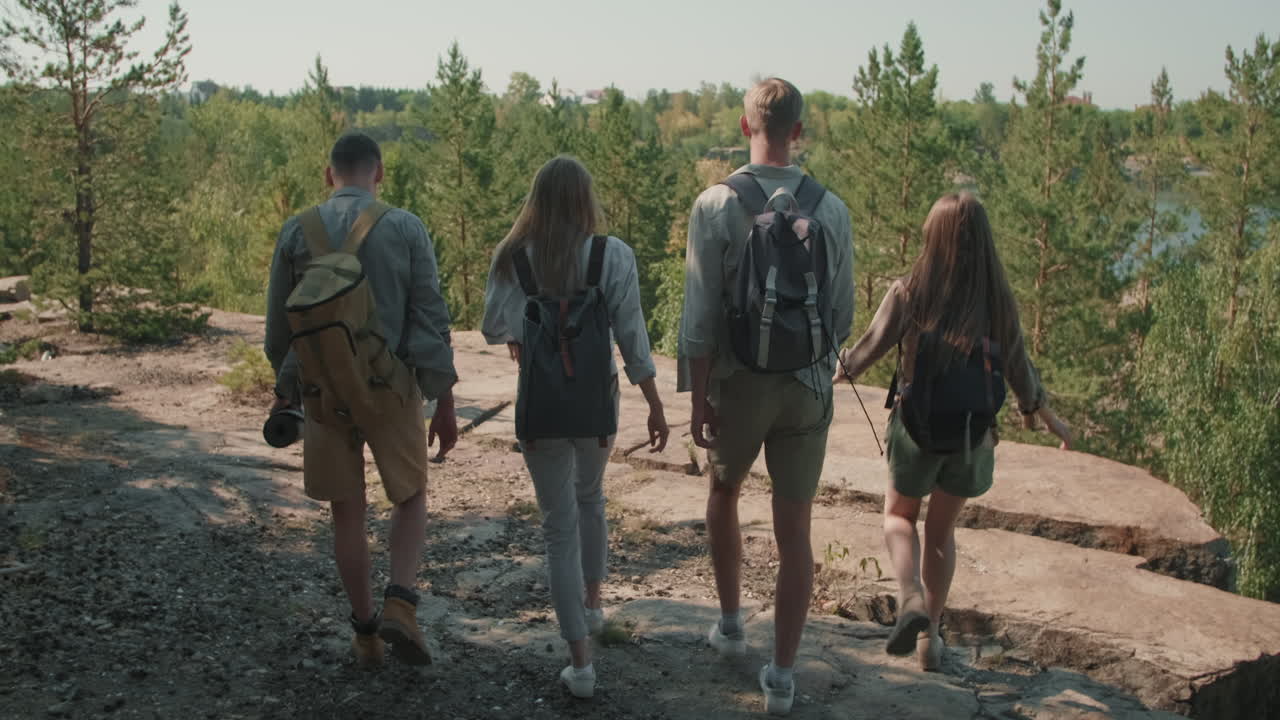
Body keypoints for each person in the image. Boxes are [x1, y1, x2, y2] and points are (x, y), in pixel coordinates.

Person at [833, 192, 1071, 671]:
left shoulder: (910, 290)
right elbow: (1019, 367)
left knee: (900, 518)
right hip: (971, 437)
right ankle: (932, 640)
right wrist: (1043, 414)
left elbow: (867, 350)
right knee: (941, 530)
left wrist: (832, 373)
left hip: (915, 431)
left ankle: (910, 599)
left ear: (931, 237)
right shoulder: (997, 300)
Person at [679, 77, 855, 715]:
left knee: (724, 492)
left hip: (739, 382)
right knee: (796, 528)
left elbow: (698, 318)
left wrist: (699, 398)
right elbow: (841, 313)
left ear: (744, 123)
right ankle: (782, 676)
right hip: (806, 387)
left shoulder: (715, 204)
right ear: (798, 132)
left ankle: (730, 624)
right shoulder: (831, 209)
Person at [265, 132, 459, 668]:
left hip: (323, 394)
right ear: (379, 173)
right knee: (411, 494)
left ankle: (366, 634)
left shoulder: (296, 231)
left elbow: (278, 332)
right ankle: (402, 602)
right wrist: (443, 400)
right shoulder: (404, 226)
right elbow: (431, 318)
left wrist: (287, 392)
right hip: (391, 388)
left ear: (329, 175)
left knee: (347, 512)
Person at [482, 155, 670, 699]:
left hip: (540, 407)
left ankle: (580, 665)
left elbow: (494, 326)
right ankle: (592, 605)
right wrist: (654, 403)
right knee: (591, 498)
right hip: (596, 405)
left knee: (556, 527)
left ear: (537, 200)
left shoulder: (514, 257)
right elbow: (632, 333)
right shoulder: (612, 255)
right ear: (585, 199)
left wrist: (527, 329)